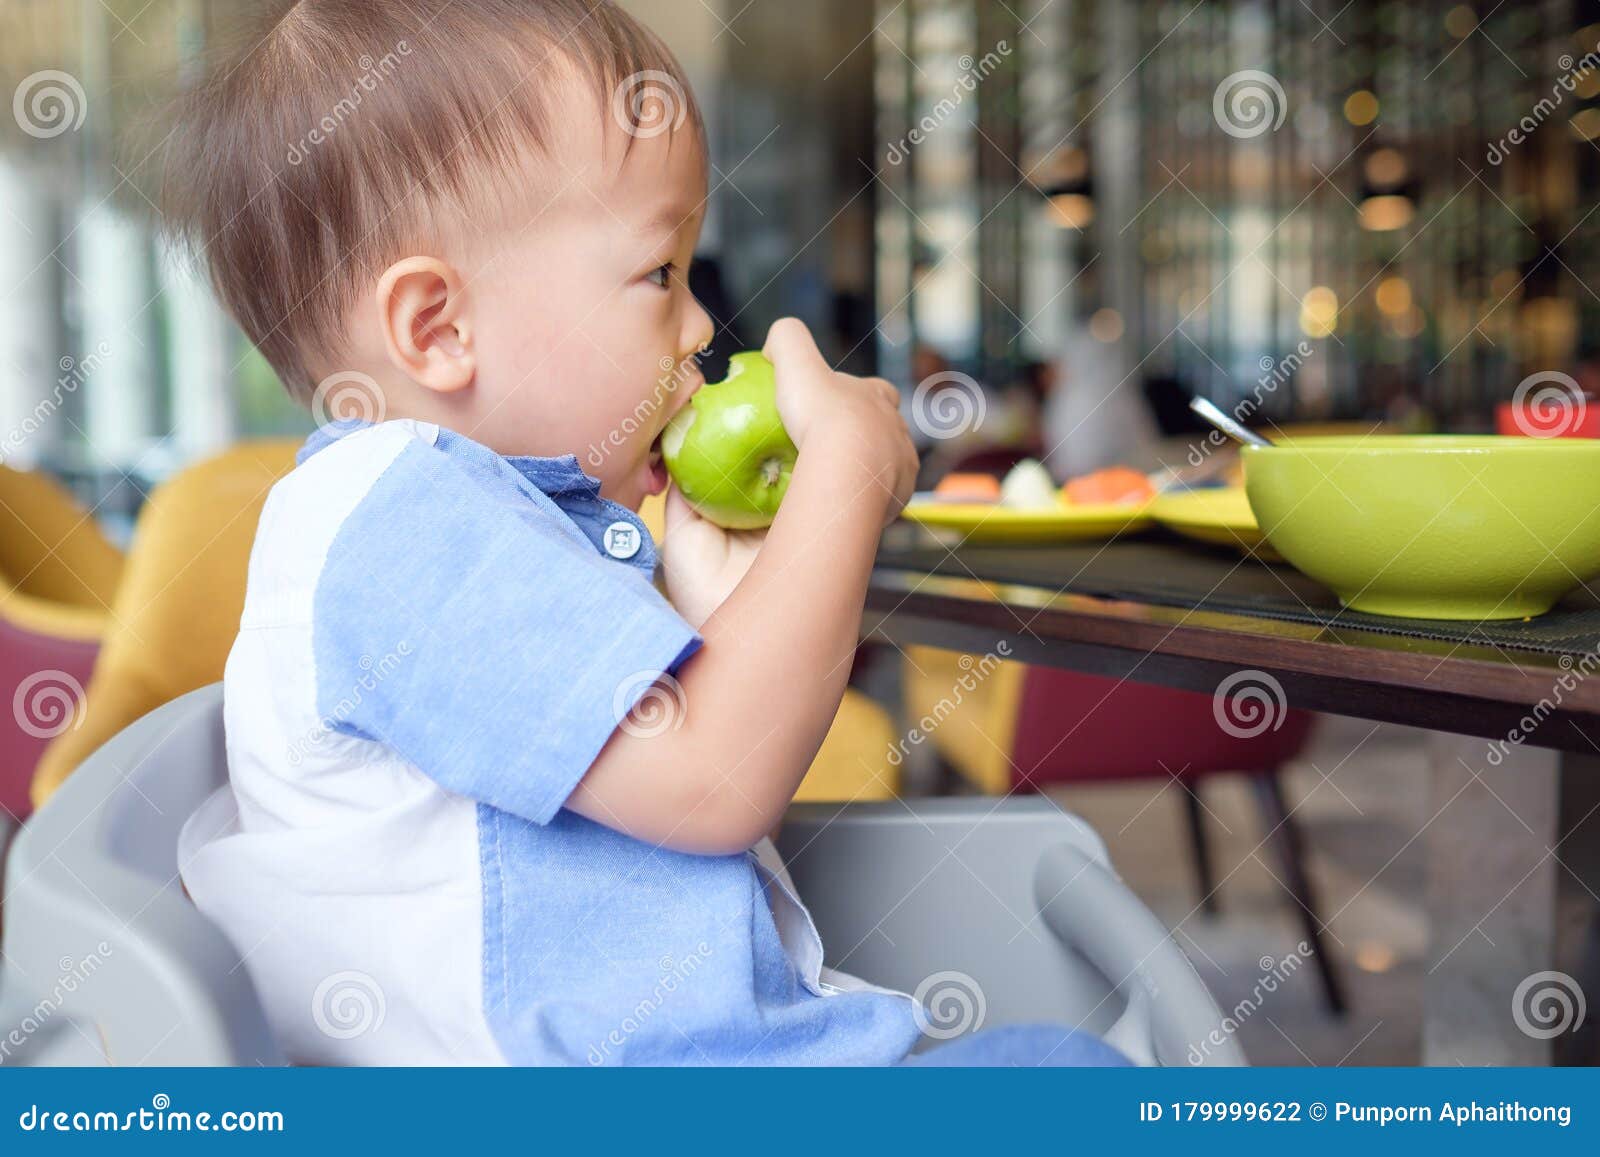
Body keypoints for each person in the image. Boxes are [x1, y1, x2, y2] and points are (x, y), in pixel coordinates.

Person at [165, 0, 1126, 1069]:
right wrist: (842, 482)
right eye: (658, 274)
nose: (703, 326)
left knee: (1063, 1066)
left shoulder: (496, 522)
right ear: (437, 327)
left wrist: (709, 613)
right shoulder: (402, 521)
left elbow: (647, 755)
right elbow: (710, 781)